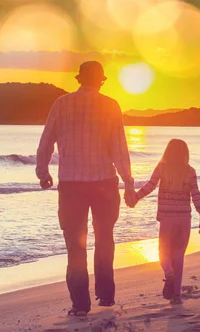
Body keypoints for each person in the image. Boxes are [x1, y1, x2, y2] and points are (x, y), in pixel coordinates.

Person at [35, 61, 136, 317]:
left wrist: (43, 172)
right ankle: (105, 295)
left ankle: (80, 304)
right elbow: (119, 148)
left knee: (75, 245)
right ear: (101, 80)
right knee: (104, 238)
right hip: (104, 183)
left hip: (71, 186)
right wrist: (129, 183)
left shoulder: (62, 104)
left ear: (79, 79)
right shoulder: (111, 105)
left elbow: (46, 140)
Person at [132, 139, 200, 305]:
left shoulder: (162, 168)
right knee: (178, 255)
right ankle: (176, 296)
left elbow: (150, 186)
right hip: (184, 219)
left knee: (163, 251)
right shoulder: (190, 171)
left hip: (167, 219)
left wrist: (135, 197)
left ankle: (168, 271)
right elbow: (196, 194)